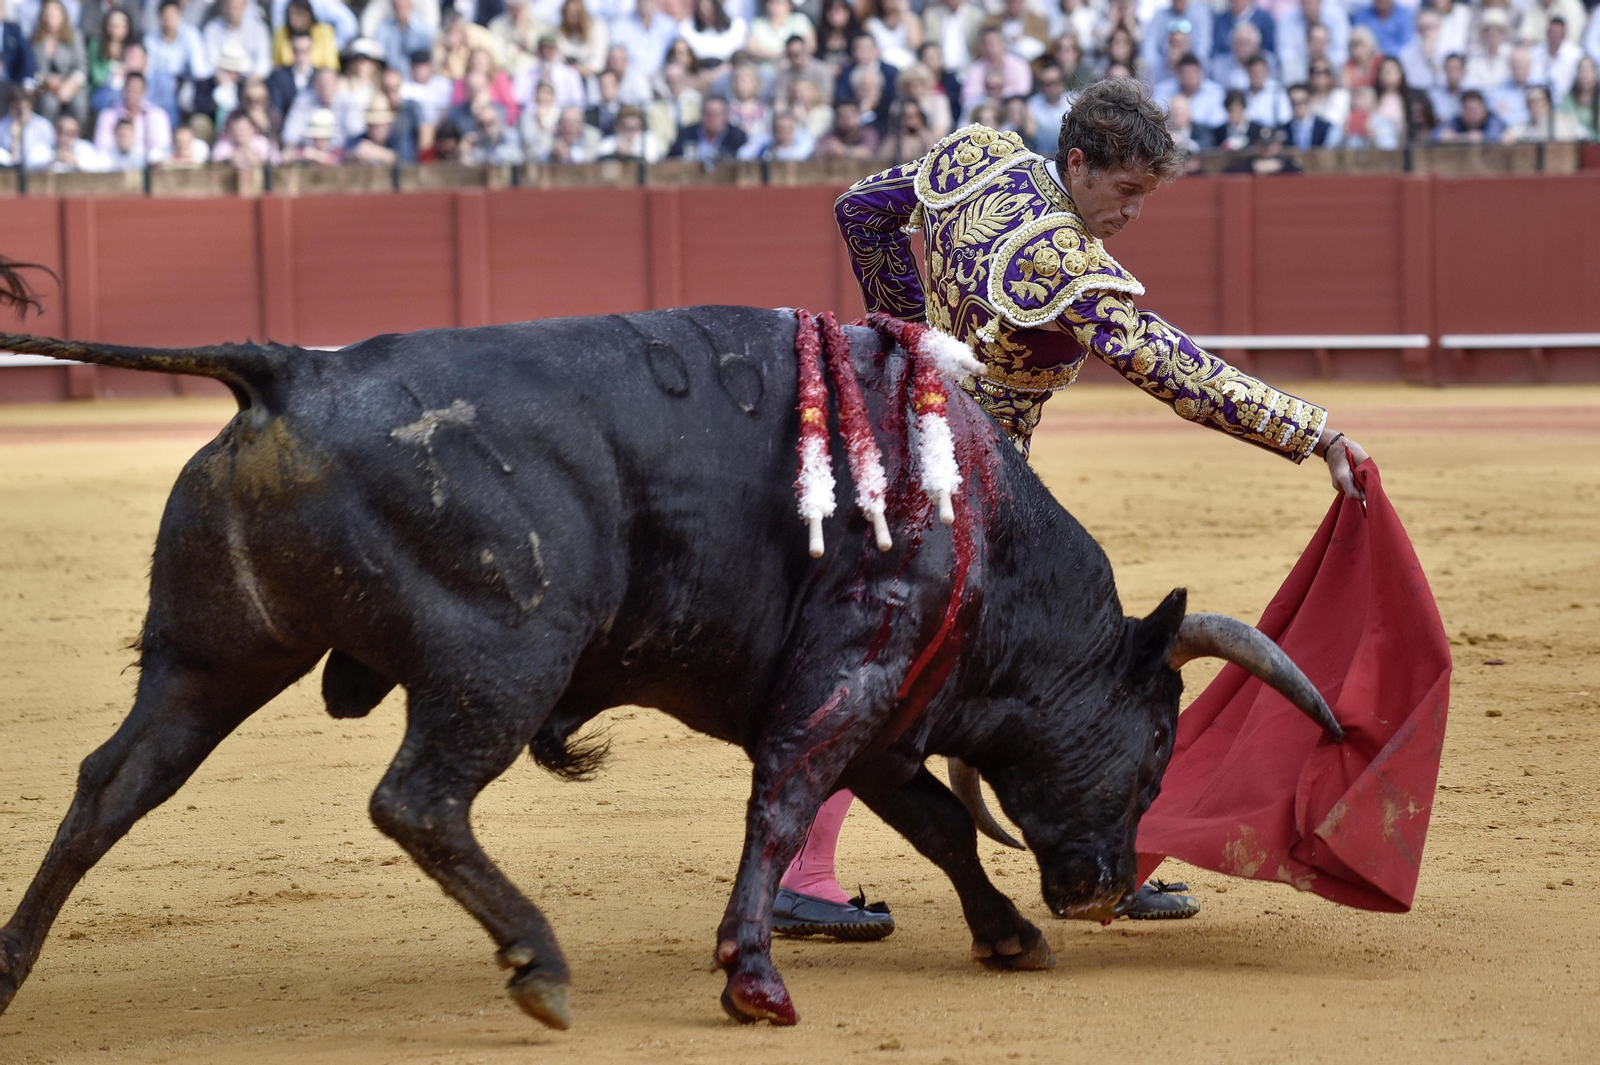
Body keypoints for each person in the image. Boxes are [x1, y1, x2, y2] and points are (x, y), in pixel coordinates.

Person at [783, 78, 1373, 936]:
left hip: (896, 439)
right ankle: (1093, 859)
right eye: (1124, 190)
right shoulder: (1064, 263)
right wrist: (1314, 432)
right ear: (1079, 162)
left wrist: (909, 342)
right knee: (1043, 669)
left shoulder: (978, 157)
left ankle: (811, 871)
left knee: (880, 647)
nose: (1132, 212)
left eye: (1146, 196)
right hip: (980, 488)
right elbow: (1178, 371)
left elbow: (862, 211)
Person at [666, 91, 744, 159]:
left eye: (717, 114)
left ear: (725, 115)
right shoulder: (686, 135)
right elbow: (670, 160)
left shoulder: (737, 137)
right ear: (702, 114)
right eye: (708, 113)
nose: (713, 118)